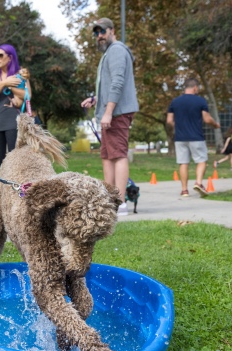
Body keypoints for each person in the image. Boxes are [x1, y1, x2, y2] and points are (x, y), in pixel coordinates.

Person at [80, 18, 139, 217]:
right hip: (112, 111)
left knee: (118, 154)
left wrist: (108, 111)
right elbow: (110, 85)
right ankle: (110, 199)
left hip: (117, 113)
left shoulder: (116, 50)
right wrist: (96, 99)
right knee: (107, 156)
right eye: (96, 33)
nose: (99, 36)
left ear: (112, 31)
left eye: (102, 31)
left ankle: (120, 202)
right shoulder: (110, 52)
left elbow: (118, 83)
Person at [166, 78, 220, 197]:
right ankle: (198, 183)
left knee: (183, 163)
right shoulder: (200, 101)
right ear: (195, 87)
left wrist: (178, 126)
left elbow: (169, 120)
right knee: (201, 161)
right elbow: (207, 119)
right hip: (196, 136)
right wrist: (215, 124)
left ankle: (184, 190)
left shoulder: (175, 102)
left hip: (180, 138)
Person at [0, 44, 31, 176]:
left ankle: (17, 194)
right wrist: (3, 84)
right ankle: (2, 194)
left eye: (1, 55)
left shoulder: (20, 74)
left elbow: (28, 96)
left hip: (14, 123)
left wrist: (11, 87)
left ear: (10, 58)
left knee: (16, 163)